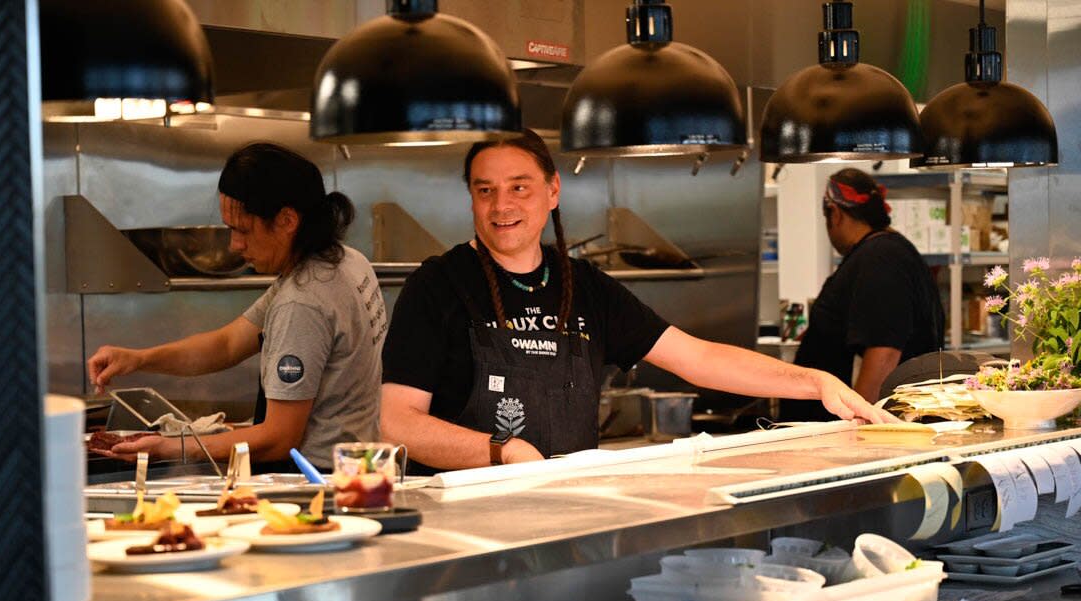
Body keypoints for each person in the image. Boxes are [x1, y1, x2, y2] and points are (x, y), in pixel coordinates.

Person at [380, 130, 893, 472]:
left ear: (553, 190)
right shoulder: (438, 286)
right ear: (471, 197)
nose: (502, 205)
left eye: (520, 186)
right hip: (462, 523)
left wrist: (816, 383)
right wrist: (504, 453)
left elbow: (698, 358)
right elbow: (396, 422)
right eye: (485, 190)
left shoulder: (586, 286)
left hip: (567, 511)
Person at [87, 143, 387, 471]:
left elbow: (278, 437)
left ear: (287, 219)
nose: (235, 244)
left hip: (312, 481)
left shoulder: (303, 302)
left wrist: (170, 448)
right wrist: (138, 359)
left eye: (242, 230)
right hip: (357, 470)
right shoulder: (344, 261)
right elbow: (228, 343)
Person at [782, 168, 946, 421]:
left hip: (846, 425)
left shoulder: (881, 257)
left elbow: (884, 351)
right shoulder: (884, 252)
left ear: (835, 215)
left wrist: (859, 423)